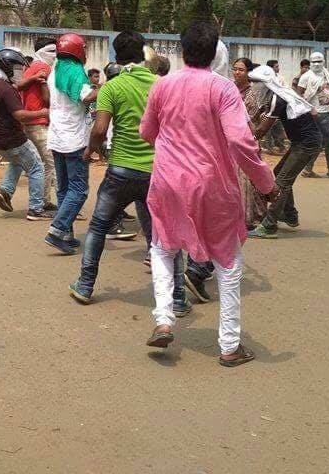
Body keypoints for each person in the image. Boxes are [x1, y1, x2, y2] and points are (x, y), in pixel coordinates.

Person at [140, 22, 276, 365]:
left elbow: (147, 132)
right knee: (227, 263)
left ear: (182, 51)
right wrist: (266, 182)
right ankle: (229, 345)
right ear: (216, 52)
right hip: (213, 184)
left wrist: (175, 148)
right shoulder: (224, 89)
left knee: (163, 248)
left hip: (168, 181)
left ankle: (163, 319)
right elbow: (241, 140)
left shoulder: (162, 86)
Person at [68, 32, 190, 318]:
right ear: (144, 53)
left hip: (121, 171)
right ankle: (180, 298)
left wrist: (91, 152)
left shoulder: (113, 87)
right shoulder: (162, 85)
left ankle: (85, 286)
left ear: (116, 55)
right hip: (156, 172)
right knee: (162, 235)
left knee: (98, 227)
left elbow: (99, 130)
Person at [248, 66, 321, 239]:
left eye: (256, 83)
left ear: (265, 84)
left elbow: (261, 131)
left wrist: (243, 136)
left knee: (281, 182)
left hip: (306, 144)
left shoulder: (277, 99)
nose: (253, 86)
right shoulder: (279, 95)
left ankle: (269, 226)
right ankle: (289, 214)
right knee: (280, 173)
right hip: (303, 142)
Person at [0, 48, 51, 220]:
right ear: (9, 68)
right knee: (36, 167)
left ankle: (5, 191)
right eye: (18, 69)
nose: (21, 72)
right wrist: (43, 112)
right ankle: (36, 209)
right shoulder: (7, 90)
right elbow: (20, 115)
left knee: (18, 162)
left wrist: (32, 78)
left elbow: (15, 86)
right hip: (13, 139)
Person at [45, 33, 97, 254]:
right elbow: (86, 97)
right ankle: (57, 230)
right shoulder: (73, 70)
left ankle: (66, 234)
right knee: (79, 189)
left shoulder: (56, 68)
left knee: (64, 189)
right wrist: (105, 89)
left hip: (57, 136)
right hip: (73, 139)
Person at [231, 57, 270, 229]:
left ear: (248, 73)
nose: (237, 72)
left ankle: (249, 217)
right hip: (229, 142)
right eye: (235, 69)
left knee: (248, 181)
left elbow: (256, 118)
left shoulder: (253, 94)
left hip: (246, 141)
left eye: (241, 70)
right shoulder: (229, 89)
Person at [17, 37, 56, 210]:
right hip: (39, 122)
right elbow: (47, 99)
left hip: (29, 121)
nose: (55, 56)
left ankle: (7, 190)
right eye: (52, 52)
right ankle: (42, 202)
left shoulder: (31, 67)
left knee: (33, 163)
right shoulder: (43, 68)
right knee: (49, 163)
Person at [297, 52, 329, 179]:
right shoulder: (306, 76)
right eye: (314, 62)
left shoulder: (326, 73)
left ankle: (312, 169)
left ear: (323, 61)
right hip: (315, 114)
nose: (317, 64)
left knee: (324, 142)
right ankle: (327, 170)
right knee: (327, 141)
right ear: (310, 62)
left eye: (319, 61)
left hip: (326, 113)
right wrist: (309, 109)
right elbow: (298, 95)